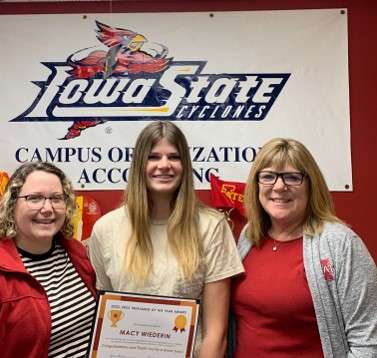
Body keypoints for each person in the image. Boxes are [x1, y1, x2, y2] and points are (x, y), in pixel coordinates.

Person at [88, 120, 244, 357]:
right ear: (140, 164)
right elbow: (109, 318)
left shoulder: (211, 227)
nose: (164, 165)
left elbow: (216, 333)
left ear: (185, 165)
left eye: (174, 156)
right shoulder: (105, 229)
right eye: (153, 157)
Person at [230, 138, 377, 358]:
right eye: (268, 176)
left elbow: (367, 341)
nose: (279, 186)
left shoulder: (340, 243)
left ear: (311, 184)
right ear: (256, 184)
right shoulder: (249, 236)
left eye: (292, 177)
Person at [0, 162, 97, 358]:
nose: (47, 208)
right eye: (34, 198)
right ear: (12, 204)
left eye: (56, 199)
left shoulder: (76, 252)